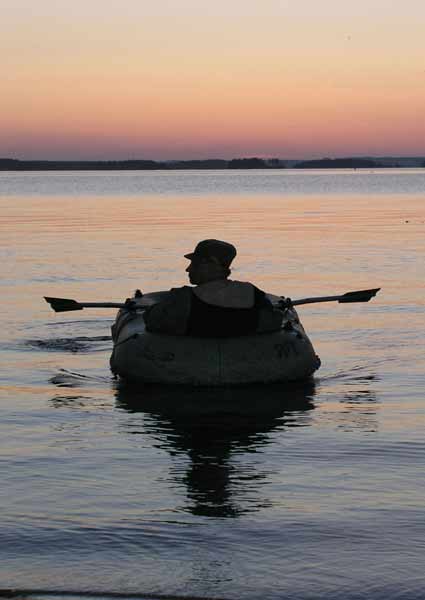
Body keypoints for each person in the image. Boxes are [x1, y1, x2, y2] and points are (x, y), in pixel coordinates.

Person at [143, 239, 284, 337]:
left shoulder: (183, 298)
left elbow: (152, 320)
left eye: (194, 264)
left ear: (207, 265)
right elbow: (274, 320)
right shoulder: (251, 292)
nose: (188, 269)